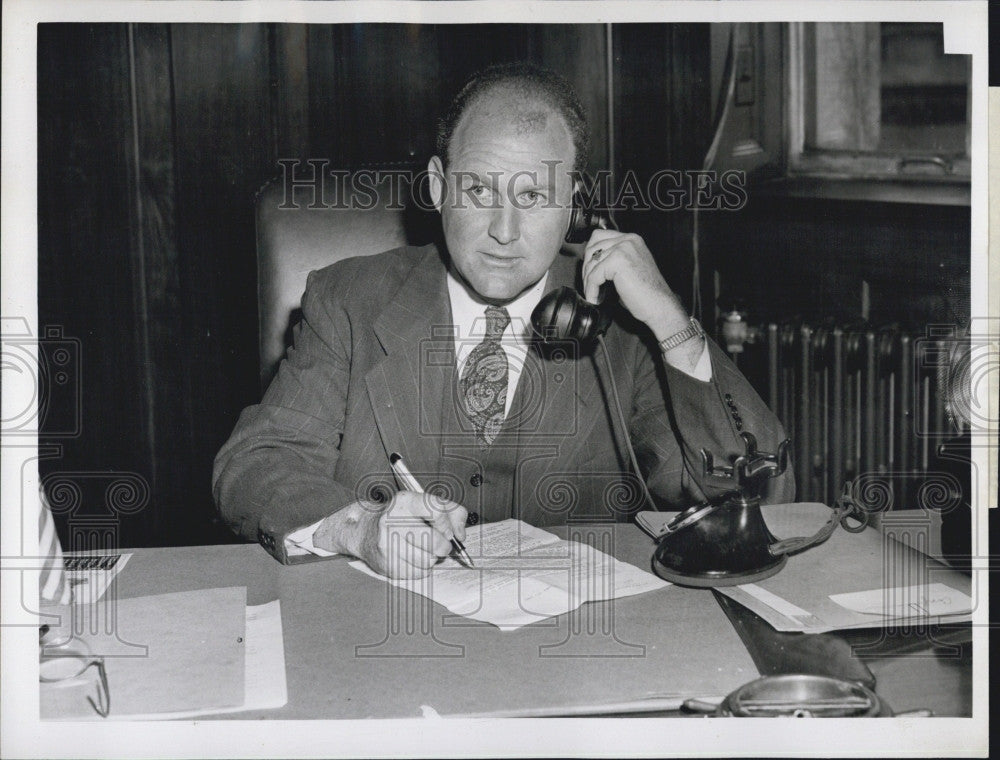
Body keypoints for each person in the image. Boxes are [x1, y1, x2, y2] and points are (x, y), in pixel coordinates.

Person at [213, 62, 794, 578]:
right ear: (439, 188)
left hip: (575, 651)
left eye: (535, 197)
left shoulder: (619, 320)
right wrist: (358, 527)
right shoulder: (349, 301)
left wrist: (672, 322)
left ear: (574, 202)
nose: (505, 231)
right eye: (480, 191)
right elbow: (257, 465)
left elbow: (759, 490)